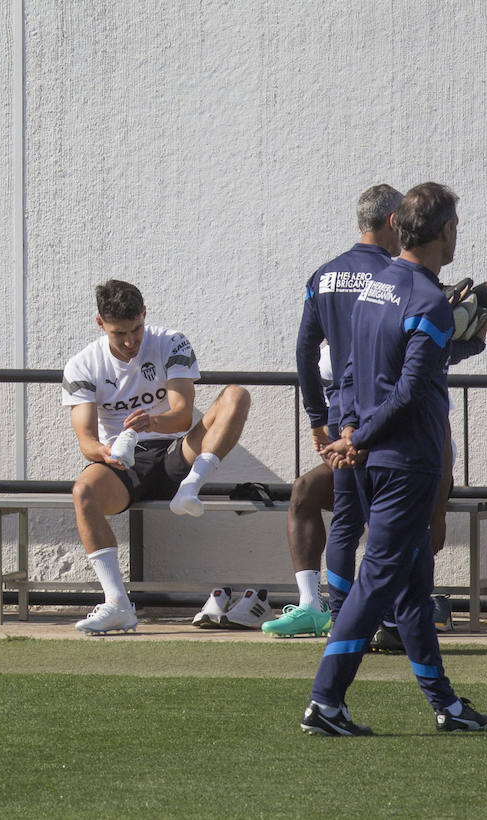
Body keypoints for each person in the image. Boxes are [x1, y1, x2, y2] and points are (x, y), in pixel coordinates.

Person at [302, 183, 487, 735]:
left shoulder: (375, 287)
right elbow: (409, 390)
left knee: (411, 584)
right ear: (446, 230)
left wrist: (349, 432)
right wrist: (358, 437)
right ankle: (325, 702)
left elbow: (360, 371)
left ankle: (446, 704)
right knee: (380, 580)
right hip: (404, 459)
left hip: (366, 452)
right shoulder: (428, 300)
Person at [62, 280, 250, 635]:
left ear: (145, 315)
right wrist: (103, 452)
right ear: (100, 324)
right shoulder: (82, 364)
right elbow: (86, 439)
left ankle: (190, 488)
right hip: (123, 463)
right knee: (82, 492)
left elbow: (182, 415)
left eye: (136, 329)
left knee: (236, 395)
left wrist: (153, 420)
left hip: (176, 453)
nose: (131, 341)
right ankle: (117, 604)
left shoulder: (170, 341)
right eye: (120, 333)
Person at [267, 185, 403, 639]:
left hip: (341, 408)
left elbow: (305, 350)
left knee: (347, 516)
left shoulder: (323, 276)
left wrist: (317, 417)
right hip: (386, 410)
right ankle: (386, 616)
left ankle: (343, 619)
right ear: (392, 223)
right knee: (390, 515)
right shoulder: (397, 274)